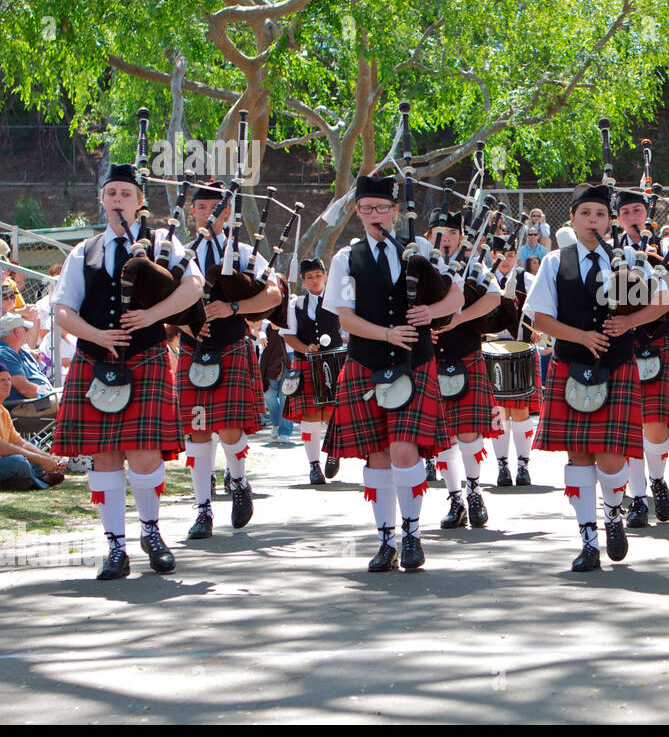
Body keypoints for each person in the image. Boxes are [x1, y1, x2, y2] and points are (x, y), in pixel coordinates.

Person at [48, 163, 204, 579]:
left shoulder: (163, 244)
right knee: (105, 456)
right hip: (95, 361)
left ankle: (151, 533)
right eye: (111, 193)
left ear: (139, 203)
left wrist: (152, 313)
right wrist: (97, 335)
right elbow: (63, 309)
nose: (117, 200)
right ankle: (115, 547)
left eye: (125, 194)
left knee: (145, 453)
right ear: (102, 200)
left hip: (147, 356)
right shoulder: (84, 251)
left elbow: (193, 288)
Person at [322, 171, 465, 572]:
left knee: (405, 450)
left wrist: (430, 312)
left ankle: (413, 534)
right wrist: (386, 333)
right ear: (356, 211)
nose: (374, 215)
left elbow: (456, 293)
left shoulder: (418, 247)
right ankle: (386, 541)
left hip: (414, 362)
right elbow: (345, 319)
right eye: (366, 208)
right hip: (368, 363)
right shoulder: (345, 259)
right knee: (378, 456)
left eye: (382, 208)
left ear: (395, 210)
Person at [523, 182, 668, 571]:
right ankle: (588, 540)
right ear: (572, 218)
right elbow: (538, 316)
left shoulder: (625, 260)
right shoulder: (556, 261)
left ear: (609, 221)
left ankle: (613, 513)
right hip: (571, 366)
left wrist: (629, 321)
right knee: (579, 457)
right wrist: (581, 336)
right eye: (586, 213)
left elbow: (664, 301)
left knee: (610, 458)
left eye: (600, 214)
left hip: (616, 366)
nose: (593, 220)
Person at [178, 181, 283, 540]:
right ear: (193, 211)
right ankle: (203, 509)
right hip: (194, 350)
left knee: (229, 429)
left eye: (214, 209)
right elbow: (155, 299)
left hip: (231, 345)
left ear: (225, 213)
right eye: (201, 208)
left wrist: (233, 307)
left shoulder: (241, 252)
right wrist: (183, 325)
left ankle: (238, 483)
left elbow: (274, 293)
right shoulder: (180, 253)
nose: (207, 214)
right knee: (198, 430)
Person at [613, 185, 669, 528]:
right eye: (626, 214)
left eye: (637, 211)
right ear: (618, 219)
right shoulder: (611, 252)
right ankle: (637, 497)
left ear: (646, 215)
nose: (632, 218)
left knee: (656, 424)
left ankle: (658, 479)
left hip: (660, 338)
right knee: (631, 423)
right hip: (623, 342)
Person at [429, 210, 503, 529]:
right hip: (430, 359)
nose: (445, 238)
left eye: (451, 233)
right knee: (443, 437)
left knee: (469, 432)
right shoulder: (419, 266)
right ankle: (455, 498)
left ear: (461, 238)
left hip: (465, 354)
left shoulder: (474, 266)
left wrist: (460, 317)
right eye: (439, 232)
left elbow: (494, 298)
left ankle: (474, 492)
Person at [281, 257, 343, 484]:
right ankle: (314, 465)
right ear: (303, 281)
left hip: (334, 362)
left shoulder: (338, 300)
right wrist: (306, 348)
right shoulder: (295, 305)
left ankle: (334, 452)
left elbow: (348, 328)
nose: (315, 280)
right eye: (310, 277)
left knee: (332, 414)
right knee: (310, 416)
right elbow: (288, 336)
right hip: (306, 363)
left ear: (325, 276)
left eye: (318, 275)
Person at [485, 235, 539, 488]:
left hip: (521, 351)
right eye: (500, 255)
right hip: (492, 353)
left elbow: (540, 309)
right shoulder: (485, 279)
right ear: (492, 255)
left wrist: (538, 329)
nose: (505, 261)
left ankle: (523, 465)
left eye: (509, 256)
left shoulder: (527, 279)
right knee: (499, 412)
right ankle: (502, 466)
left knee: (520, 412)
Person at [0, 365, 65, 489]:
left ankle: (25, 481)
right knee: (19, 462)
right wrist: (41, 460)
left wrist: (48, 458)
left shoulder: (3, 411)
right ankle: (39, 482)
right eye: (2, 380)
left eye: (9, 379)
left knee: (32, 462)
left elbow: (20, 443)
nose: (7, 383)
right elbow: (3, 448)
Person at [0, 313, 58, 417]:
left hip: (39, 401)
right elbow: (24, 388)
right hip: (21, 407)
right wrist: (50, 395)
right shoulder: (3, 353)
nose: (29, 331)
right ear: (17, 332)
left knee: (74, 399)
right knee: (72, 403)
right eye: (26, 329)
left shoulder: (21, 351)